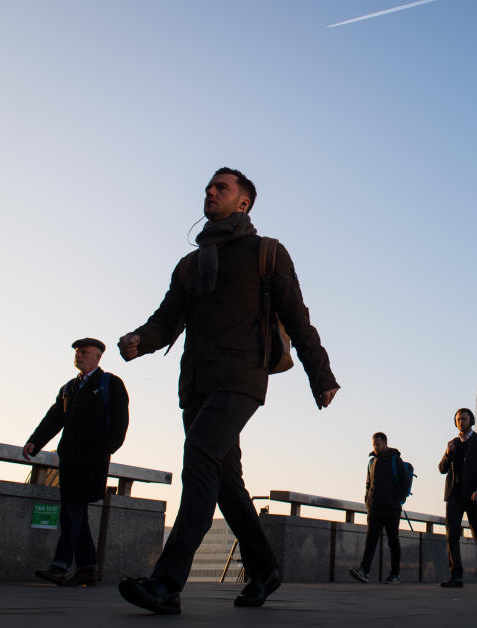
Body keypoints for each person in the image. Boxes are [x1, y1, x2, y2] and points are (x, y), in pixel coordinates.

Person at [116, 167, 339, 614]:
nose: (211, 192)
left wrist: (321, 374)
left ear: (244, 202)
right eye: (208, 188)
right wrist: (140, 340)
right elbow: (168, 317)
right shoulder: (190, 264)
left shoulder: (267, 252)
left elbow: (297, 315)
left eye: (222, 187)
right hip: (197, 383)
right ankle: (265, 569)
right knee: (224, 482)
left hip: (241, 379)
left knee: (199, 456)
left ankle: (167, 583)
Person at [24, 338, 129, 587]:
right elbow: (54, 418)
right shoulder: (68, 388)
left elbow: (119, 423)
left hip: (92, 460)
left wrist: (104, 449)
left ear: (97, 357)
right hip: (70, 460)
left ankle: (59, 567)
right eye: (77, 352)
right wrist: (35, 442)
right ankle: (87, 568)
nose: (78, 355)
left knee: (72, 511)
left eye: (84, 352)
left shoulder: (109, 384)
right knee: (76, 512)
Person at [438, 408, 477, 588]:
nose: (460, 422)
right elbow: (442, 468)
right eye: (458, 419)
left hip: (474, 495)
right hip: (454, 495)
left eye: (464, 419)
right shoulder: (452, 444)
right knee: (452, 534)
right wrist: (449, 453)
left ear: (471, 420)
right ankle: (456, 576)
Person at [350, 433, 409, 584]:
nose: (376, 447)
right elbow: (368, 484)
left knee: (393, 541)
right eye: (374, 444)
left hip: (391, 509)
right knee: (371, 540)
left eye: (378, 444)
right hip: (375, 508)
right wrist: (367, 500)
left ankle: (395, 574)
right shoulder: (372, 462)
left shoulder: (395, 459)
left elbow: (404, 483)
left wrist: (396, 500)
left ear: (385, 443)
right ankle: (364, 571)